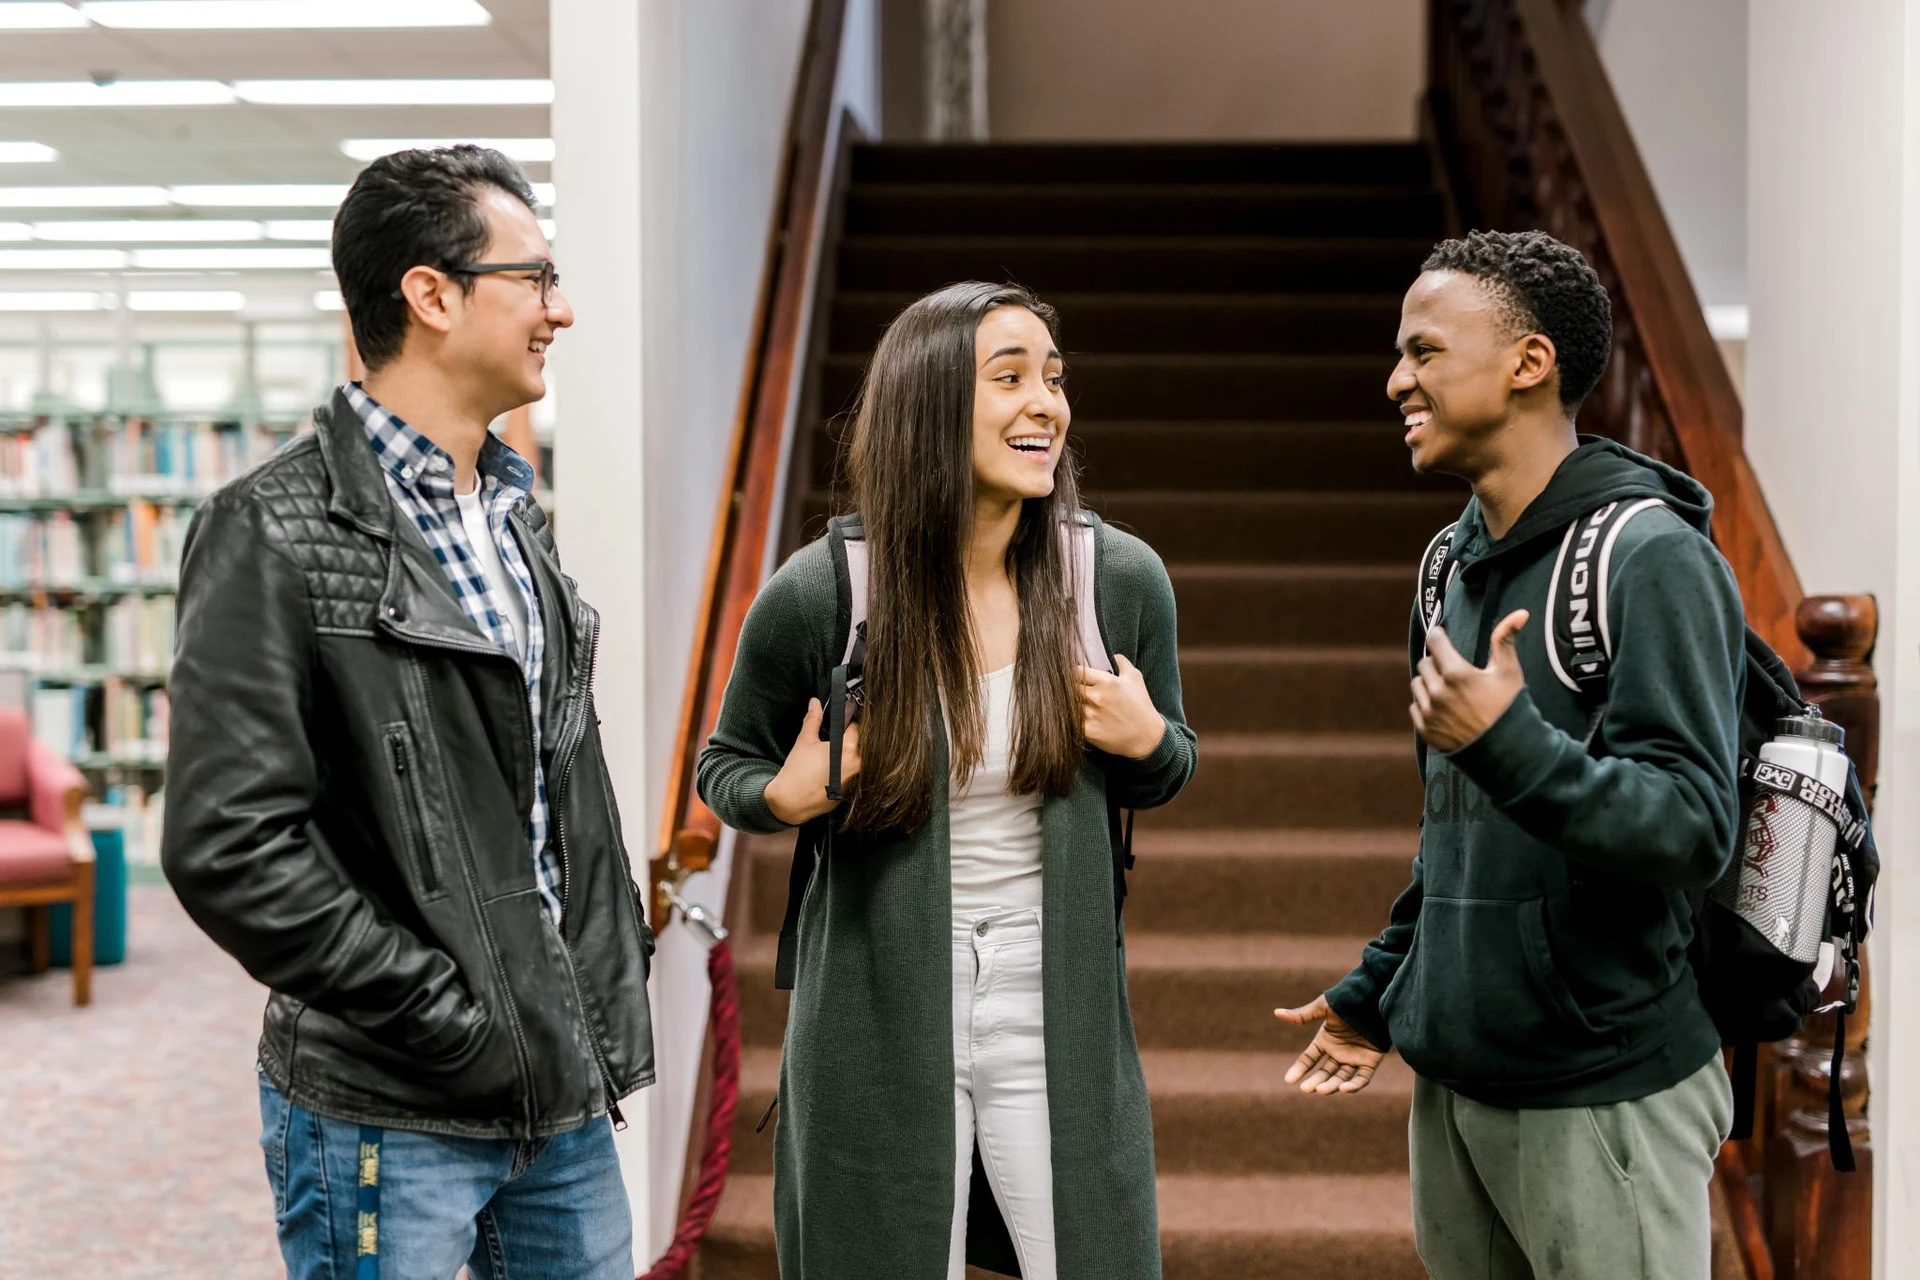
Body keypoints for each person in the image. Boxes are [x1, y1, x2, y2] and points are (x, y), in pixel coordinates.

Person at [161, 146, 655, 1280]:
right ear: (431, 295)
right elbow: (226, 844)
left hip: (557, 1086)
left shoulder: (513, 516)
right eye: (534, 278)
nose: (559, 309)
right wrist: (445, 1015)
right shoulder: (271, 529)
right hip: (391, 1095)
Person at [698, 281, 1196, 1280]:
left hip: (1051, 997)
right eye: (1008, 378)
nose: (1046, 404)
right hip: (879, 1001)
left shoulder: (1115, 579)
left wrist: (1149, 739)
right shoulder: (825, 591)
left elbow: (1168, 764)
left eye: (1054, 379)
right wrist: (785, 795)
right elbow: (726, 767)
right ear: (926, 404)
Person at [1274, 230, 1742, 1280]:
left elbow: (1695, 826)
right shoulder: (1449, 563)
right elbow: (1457, 836)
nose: (1397, 380)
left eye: (1425, 351)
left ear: (1529, 363)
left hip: (1603, 1089)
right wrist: (1381, 987)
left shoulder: (1651, 557)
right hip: (1459, 1083)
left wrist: (1509, 741)